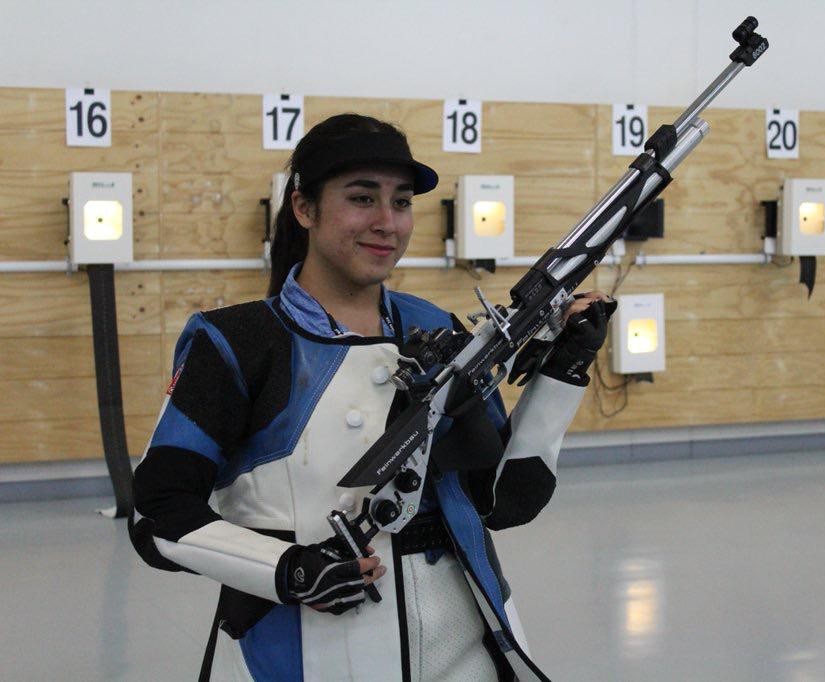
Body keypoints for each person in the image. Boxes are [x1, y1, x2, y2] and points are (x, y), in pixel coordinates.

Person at [129, 113, 614, 681]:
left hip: (465, 643)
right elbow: (157, 514)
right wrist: (287, 570)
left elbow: (506, 500)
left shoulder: (435, 329)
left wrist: (564, 369)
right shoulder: (238, 343)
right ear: (304, 208)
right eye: (362, 198)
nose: (387, 223)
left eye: (402, 202)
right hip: (302, 652)